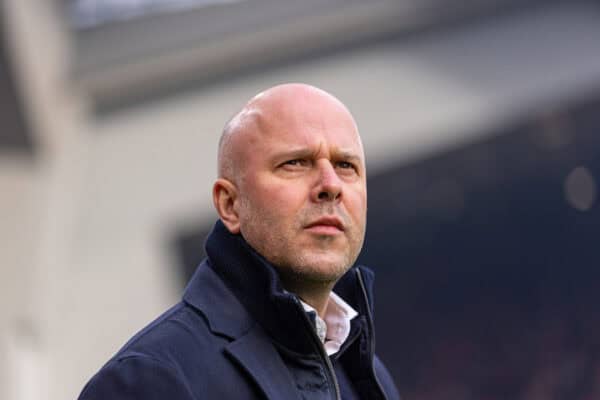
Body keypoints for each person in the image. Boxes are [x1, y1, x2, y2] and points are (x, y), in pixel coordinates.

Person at [78, 83, 400, 400]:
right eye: (295, 163)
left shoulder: (372, 377)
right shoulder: (149, 381)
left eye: (346, 165)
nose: (331, 185)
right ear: (230, 205)